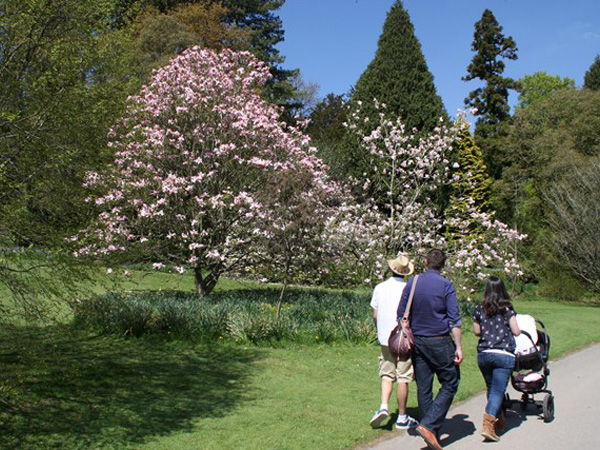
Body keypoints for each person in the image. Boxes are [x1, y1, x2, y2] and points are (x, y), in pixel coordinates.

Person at [397, 249, 462, 450]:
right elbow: (454, 319)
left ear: (425, 262)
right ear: (442, 265)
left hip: (418, 342)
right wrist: (459, 346)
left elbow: (400, 313)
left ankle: (430, 429)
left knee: (424, 387)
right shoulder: (446, 285)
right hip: (440, 340)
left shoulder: (413, 282)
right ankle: (429, 426)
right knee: (451, 381)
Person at [369, 254, 419, 430]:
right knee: (403, 376)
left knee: (386, 373)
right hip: (403, 340)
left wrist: (380, 330)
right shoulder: (409, 289)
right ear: (406, 272)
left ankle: (383, 407)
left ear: (391, 269)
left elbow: (375, 314)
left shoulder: (380, 288)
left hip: (385, 338)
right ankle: (402, 416)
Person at [472, 276, 520, 442]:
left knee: (492, 388)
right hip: (503, 353)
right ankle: (488, 424)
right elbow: (516, 331)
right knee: (498, 390)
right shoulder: (506, 308)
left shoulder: (480, 308)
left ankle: (497, 418)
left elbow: (477, 331)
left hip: (484, 353)